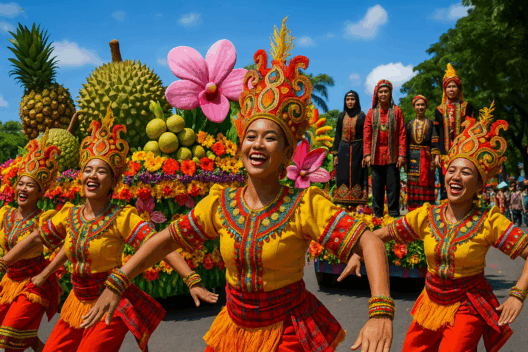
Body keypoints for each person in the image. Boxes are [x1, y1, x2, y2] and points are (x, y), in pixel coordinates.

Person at [83, 18, 394, 352]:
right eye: (251, 136)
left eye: (270, 137)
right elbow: (163, 241)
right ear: (240, 145)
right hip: (232, 329)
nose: (258, 145)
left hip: (286, 329)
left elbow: (369, 242)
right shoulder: (221, 204)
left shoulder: (305, 205)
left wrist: (381, 313)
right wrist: (118, 283)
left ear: (287, 152)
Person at [2, 107, 218, 352]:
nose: (92, 175)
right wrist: (4, 262)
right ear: (81, 176)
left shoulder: (121, 217)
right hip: (76, 301)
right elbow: (37, 237)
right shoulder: (69, 214)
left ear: (113, 182)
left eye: (101, 171)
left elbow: (159, 243)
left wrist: (191, 279)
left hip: (112, 300)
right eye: (88, 170)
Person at [352, 102, 528, 351]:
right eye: (452, 170)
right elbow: (382, 234)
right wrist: (359, 251)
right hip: (430, 302)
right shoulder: (427, 215)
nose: (455, 177)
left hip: (468, 304)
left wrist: (517, 295)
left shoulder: (489, 221)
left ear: (479, 186)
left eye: (466, 172)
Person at [0, 131, 62, 352]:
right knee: (19, 335)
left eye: (29, 185)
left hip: (34, 283)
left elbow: (65, 247)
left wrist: (46, 274)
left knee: (10, 337)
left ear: (39, 192)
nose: (22, 189)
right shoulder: (4, 214)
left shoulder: (44, 220)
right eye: (20, 184)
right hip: (9, 281)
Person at [363, 79, 406, 218]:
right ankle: (377, 216)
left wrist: (401, 155)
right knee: (377, 188)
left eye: (385, 91)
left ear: (390, 93)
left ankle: (393, 216)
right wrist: (367, 154)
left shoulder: (397, 111)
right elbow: (367, 135)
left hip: (392, 156)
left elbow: (401, 133)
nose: (383, 94)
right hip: (375, 156)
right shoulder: (371, 113)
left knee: (393, 187)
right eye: (380, 91)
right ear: (376, 94)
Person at [433, 63, 475, 200]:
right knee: (446, 181)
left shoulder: (467, 107)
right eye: (448, 86)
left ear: (458, 88)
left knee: (464, 180)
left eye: (454, 86)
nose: (451, 89)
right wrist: (437, 154)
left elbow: (472, 129)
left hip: (464, 152)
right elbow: (437, 132)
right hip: (445, 154)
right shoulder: (439, 110)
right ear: (444, 90)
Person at [332, 90, 368, 208]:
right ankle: (342, 203)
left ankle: (358, 206)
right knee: (343, 174)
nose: (350, 102)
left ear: (356, 101)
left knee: (358, 173)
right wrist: (335, 154)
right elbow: (337, 134)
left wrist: (365, 155)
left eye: (352, 99)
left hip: (358, 149)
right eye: (348, 100)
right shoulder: (342, 116)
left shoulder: (362, 116)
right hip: (343, 149)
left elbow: (365, 135)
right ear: (345, 101)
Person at [406, 95, 440, 211]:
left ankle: (426, 210)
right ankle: (412, 211)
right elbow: (405, 142)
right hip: (412, 158)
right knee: (413, 184)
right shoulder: (410, 124)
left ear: (426, 107)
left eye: (422, 105)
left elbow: (435, 141)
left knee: (426, 184)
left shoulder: (431, 123)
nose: (420, 107)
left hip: (427, 159)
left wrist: (436, 157)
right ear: (414, 106)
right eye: (418, 105)